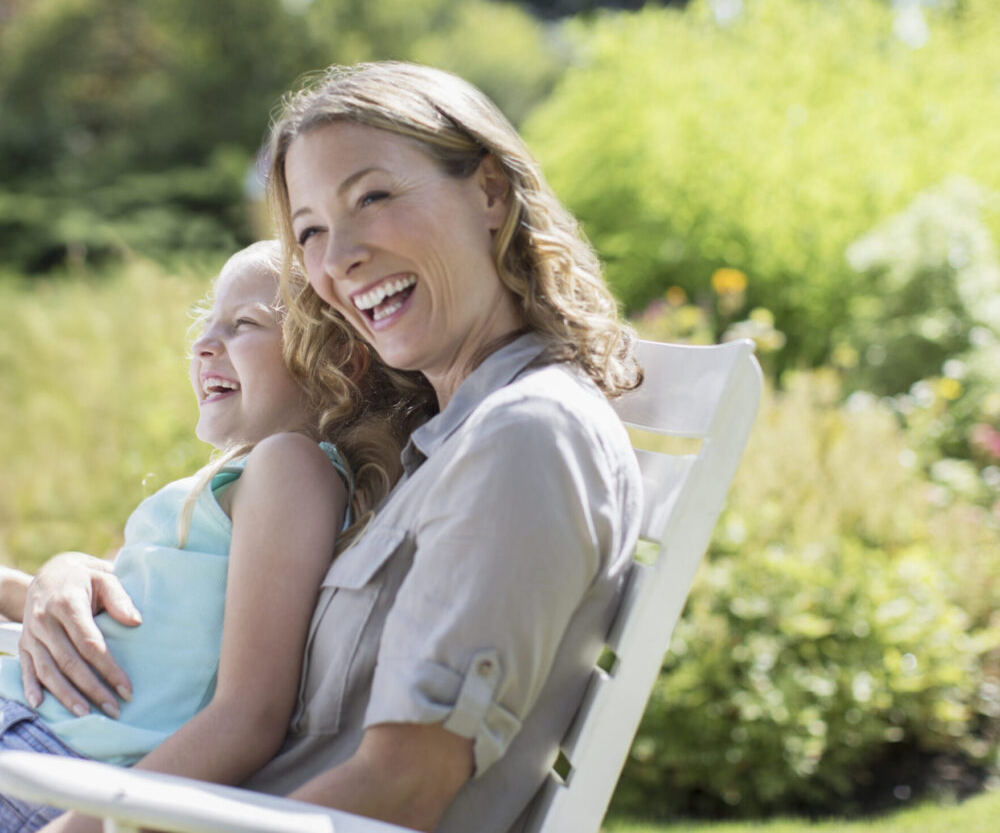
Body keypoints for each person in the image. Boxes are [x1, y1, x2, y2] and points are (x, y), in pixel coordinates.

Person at [28, 62, 643, 833]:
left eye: (373, 197)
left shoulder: (522, 436)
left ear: (490, 191)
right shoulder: (435, 444)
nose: (337, 258)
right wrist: (70, 576)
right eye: (311, 230)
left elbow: (403, 788)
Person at [0, 240, 407, 832]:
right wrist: (57, 571)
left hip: (50, 761)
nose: (203, 343)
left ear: (338, 359)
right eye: (204, 322)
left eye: (243, 324)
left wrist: (87, 825)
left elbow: (247, 716)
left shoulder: (290, 468)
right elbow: (140, 612)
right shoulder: (252, 477)